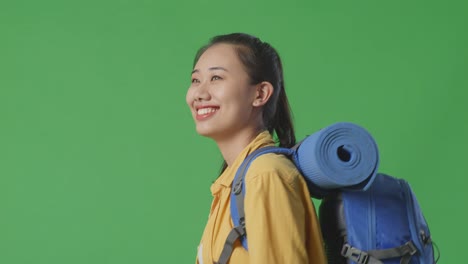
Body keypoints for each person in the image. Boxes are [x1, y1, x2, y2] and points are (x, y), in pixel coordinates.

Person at [186, 33, 326, 264]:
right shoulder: (234, 182)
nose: (200, 93)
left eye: (216, 78)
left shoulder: (265, 175)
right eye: (195, 80)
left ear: (260, 94)